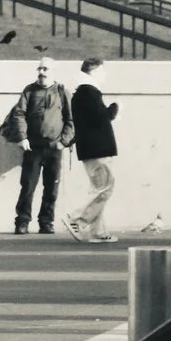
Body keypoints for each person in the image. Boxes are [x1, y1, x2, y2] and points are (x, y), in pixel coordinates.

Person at [2, 60, 72, 235]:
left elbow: (71, 120)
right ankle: (22, 222)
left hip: (54, 148)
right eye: (39, 68)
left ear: (53, 71)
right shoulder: (29, 90)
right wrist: (22, 137)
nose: (41, 72)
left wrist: (63, 142)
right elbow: (19, 114)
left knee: (51, 187)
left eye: (45, 68)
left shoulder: (62, 91)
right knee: (27, 186)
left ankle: (46, 222)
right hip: (32, 147)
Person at [63, 58, 118, 243]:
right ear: (94, 72)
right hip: (98, 148)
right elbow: (100, 118)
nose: (105, 75)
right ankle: (76, 219)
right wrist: (114, 109)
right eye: (102, 71)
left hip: (90, 148)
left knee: (99, 189)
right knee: (105, 189)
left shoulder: (82, 92)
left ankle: (98, 232)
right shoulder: (90, 92)